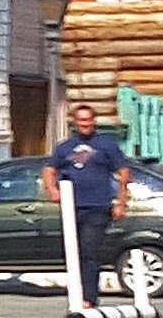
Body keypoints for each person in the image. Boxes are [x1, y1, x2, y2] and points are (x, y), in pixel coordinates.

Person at [45, 117, 134, 306]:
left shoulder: (106, 145)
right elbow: (49, 170)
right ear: (75, 123)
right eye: (81, 121)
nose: (85, 124)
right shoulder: (65, 147)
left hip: (98, 207)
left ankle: (89, 297)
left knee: (89, 250)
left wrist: (121, 202)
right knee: (73, 252)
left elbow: (124, 172)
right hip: (72, 208)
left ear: (93, 121)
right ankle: (78, 291)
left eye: (88, 120)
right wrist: (52, 190)